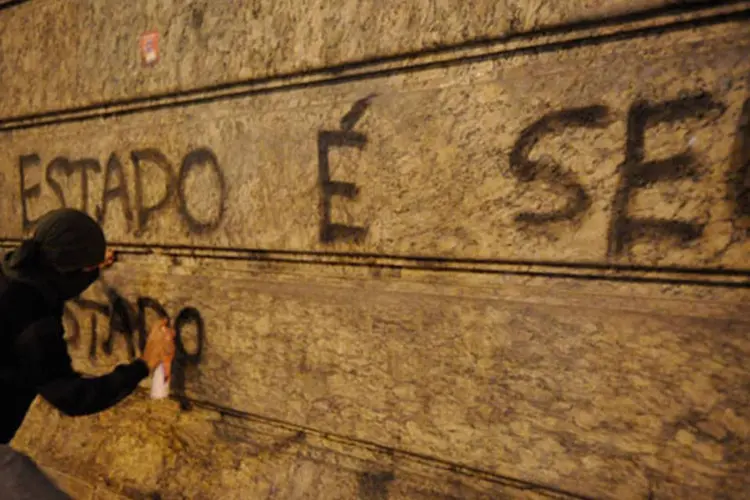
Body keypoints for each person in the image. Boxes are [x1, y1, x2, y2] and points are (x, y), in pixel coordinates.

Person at [0, 208, 175, 445]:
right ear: (68, 272)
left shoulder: (16, 272)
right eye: (89, 270)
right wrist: (144, 364)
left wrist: (86, 262)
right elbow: (73, 397)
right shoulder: (35, 324)